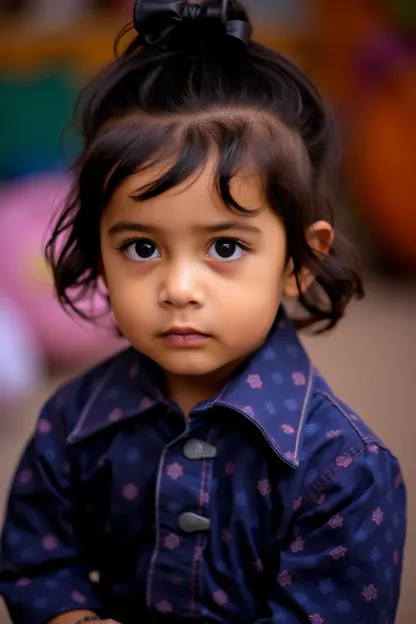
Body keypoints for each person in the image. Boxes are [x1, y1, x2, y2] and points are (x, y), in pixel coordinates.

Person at [0, 1, 407, 623]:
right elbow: (37, 558)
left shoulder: (343, 470)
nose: (179, 287)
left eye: (225, 247)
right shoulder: (72, 425)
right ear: (99, 259)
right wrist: (69, 616)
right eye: (141, 248)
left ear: (298, 260)